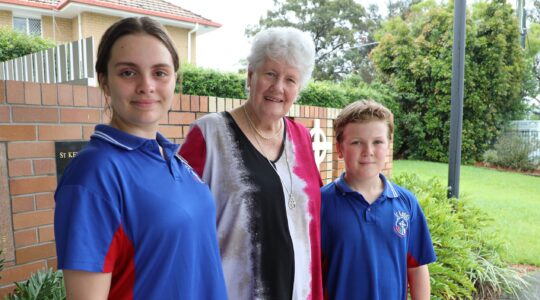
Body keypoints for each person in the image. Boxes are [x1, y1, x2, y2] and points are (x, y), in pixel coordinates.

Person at [54, 16, 227, 299]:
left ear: (175, 81)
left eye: (159, 73)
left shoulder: (175, 159)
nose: (146, 85)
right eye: (128, 73)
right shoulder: (94, 174)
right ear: (104, 82)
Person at [179, 27, 323, 299]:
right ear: (250, 74)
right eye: (270, 73)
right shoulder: (209, 134)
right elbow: (179, 227)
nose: (278, 87)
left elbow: (310, 227)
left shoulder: (302, 137)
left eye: (290, 79)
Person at [321, 100, 437, 300]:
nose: (368, 151)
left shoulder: (406, 203)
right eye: (357, 142)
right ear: (339, 148)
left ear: (389, 145)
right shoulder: (321, 203)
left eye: (377, 142)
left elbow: (417, 268)